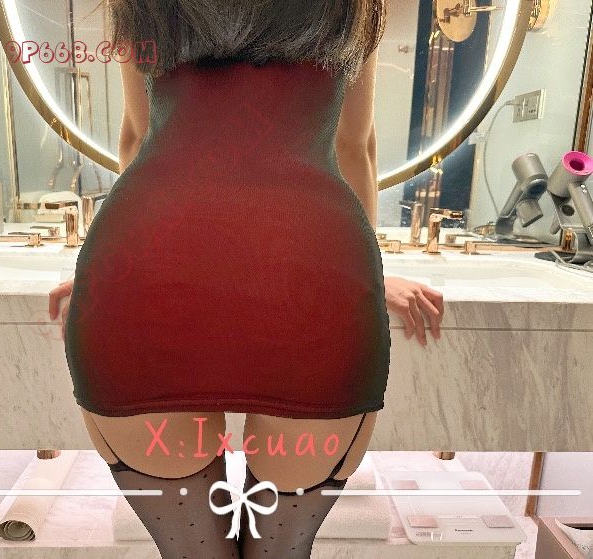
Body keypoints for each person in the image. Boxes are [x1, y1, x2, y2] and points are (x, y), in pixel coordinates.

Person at [49, 1, 444, 557]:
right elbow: (354, 147)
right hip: (311, 277)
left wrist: (115, 267)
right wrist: (368, 277)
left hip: (145, 273)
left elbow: (138, 138)